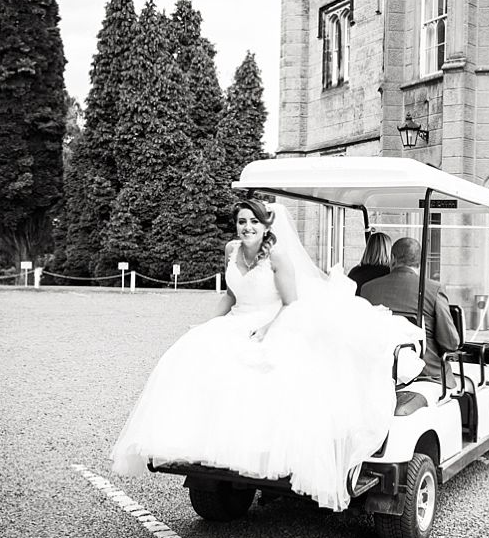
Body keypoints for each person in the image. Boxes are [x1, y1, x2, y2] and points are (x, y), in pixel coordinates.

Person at [111, 199, 424, 512]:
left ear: (265, 226)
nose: (247, 227)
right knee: (192, 352)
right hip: (237, 320)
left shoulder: (277, 256)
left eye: (253, 222)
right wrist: (208, 323)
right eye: (242, 221)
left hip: (273, 320)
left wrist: (266, 329)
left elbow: (290, 304)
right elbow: (232, 295)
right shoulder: (231, 250)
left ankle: (258, 453)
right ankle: (206, 449)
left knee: (263, 370)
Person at [360, 237, 460, 388]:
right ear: (420, 262)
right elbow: (450, 343)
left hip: (380, 369)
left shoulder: (368, 289)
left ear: (392, 259)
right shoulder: (434, 290)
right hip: (425, 372)